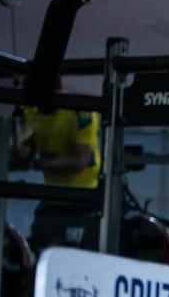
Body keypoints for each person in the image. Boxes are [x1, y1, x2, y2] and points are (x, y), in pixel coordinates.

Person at [10, 92, 102, 253]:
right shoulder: (30, 110)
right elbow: (23, 153)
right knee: (39, 248)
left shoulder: (79, 110)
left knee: (77, 253)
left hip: (83, 197)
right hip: (52, 196)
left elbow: (79, 161)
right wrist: (21, 153)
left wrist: (37, 164)